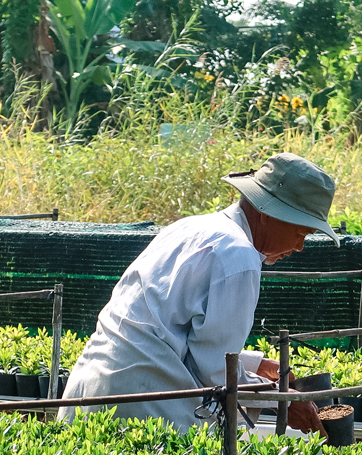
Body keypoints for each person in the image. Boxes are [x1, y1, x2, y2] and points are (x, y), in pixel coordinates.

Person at [58, 151, 339, 435]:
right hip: (145, 405)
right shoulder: (238, 258)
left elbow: (172, 335)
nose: (300, 247)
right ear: (268, 213)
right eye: (301, 233)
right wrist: (283, 402)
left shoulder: (189, 227)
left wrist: (258, 365)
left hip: (89, 388)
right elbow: (217, 374)